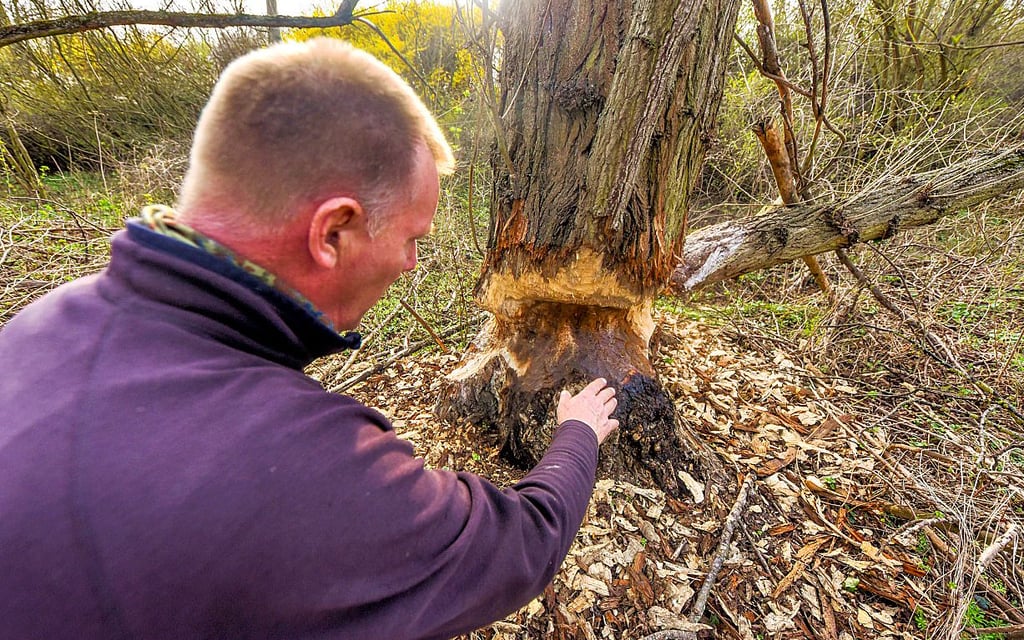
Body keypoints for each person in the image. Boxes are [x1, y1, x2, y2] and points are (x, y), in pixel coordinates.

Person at [0, 38, 619, 639]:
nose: (411, 263)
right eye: (411, 239)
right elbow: (517, 544)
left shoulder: (39, 324)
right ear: (333, 232)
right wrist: (578, 433)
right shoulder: (307, 469)